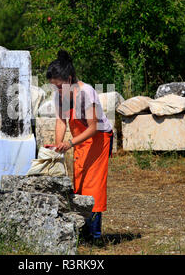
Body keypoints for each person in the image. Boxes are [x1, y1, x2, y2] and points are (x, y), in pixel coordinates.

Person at [46, 49, 113, 245]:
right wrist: (59, 145)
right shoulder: (61, 96)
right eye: (54, 87)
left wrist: (69, 144)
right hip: (80, 142)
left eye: (59, 86)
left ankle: (96, 237)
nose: (57, 91)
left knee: (94, 187)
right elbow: (61, 122)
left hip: (98, 140)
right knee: (80, 184)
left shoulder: (86, 92)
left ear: (69, 78)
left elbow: (93, 128)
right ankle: (83, 232)